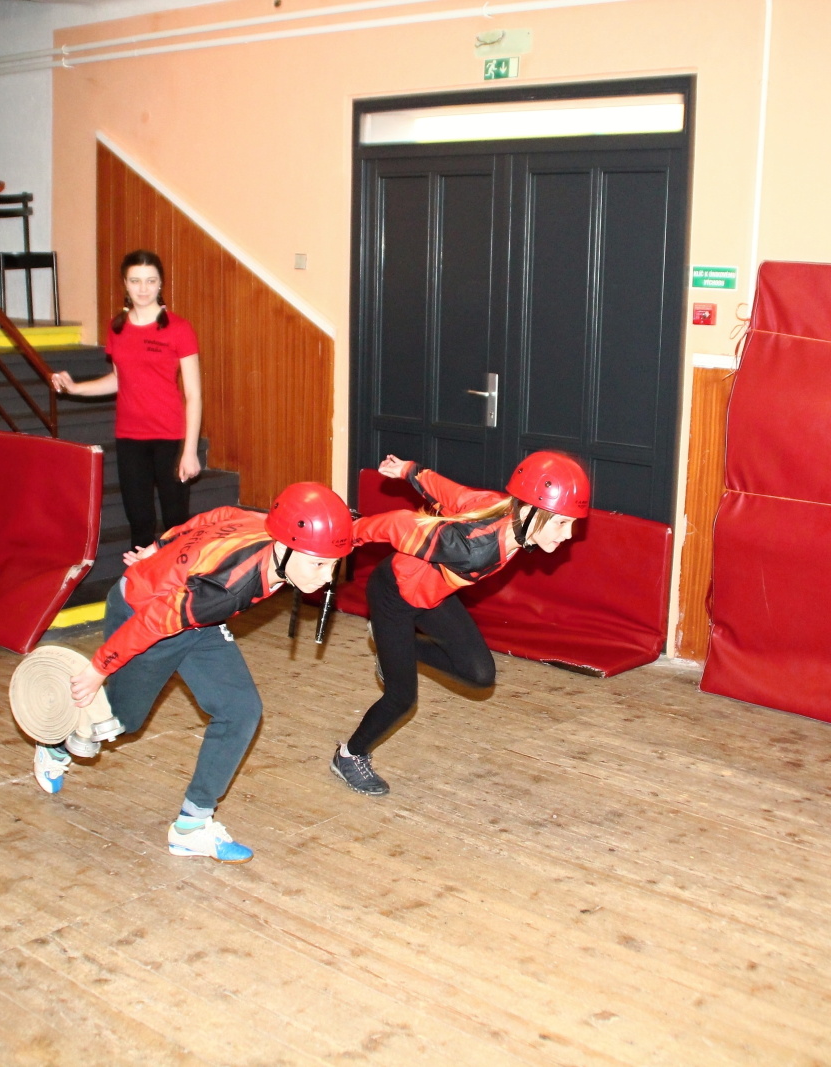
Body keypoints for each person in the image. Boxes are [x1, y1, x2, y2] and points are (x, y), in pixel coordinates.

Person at [49, 483, 354, 864]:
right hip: (143, 611)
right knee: (121, 721)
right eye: (317, 564)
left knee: (240, 710)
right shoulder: (228, 589)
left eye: (333, 564)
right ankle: (55, 742)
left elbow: (221, 515)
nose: (326, 577)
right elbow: (153, 622)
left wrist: (160, 546)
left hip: (194, 616)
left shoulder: (265, 525)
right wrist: (99, 668)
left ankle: (191, 828)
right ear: (284, 545)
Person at [331, 452, 590, 796]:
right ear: (529, 511)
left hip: (433, 595)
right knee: (401, 699)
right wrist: (345, 538)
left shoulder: (498, 508)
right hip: (395, 596)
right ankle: (349, 756)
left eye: (572, 523)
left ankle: (396, 651)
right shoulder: (471, 549)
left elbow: (452, 494)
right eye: (561, 523)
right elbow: (399, 524)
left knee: (479, 674)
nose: (568, 534)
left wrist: (409, 471)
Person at [50, 250, 202, 551]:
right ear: (125, 284)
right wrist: (75, 388)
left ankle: (178, 578)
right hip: (130, 437)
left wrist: (190, 451)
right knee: (139, 520)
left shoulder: (179, 328)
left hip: (170, 437)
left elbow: (194, 394)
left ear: (160, 284)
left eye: (150, 281)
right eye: (135, 281)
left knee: (175, 522)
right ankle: (139, 579)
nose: (143, 289)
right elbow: (120, 379)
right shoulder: (117, 327)